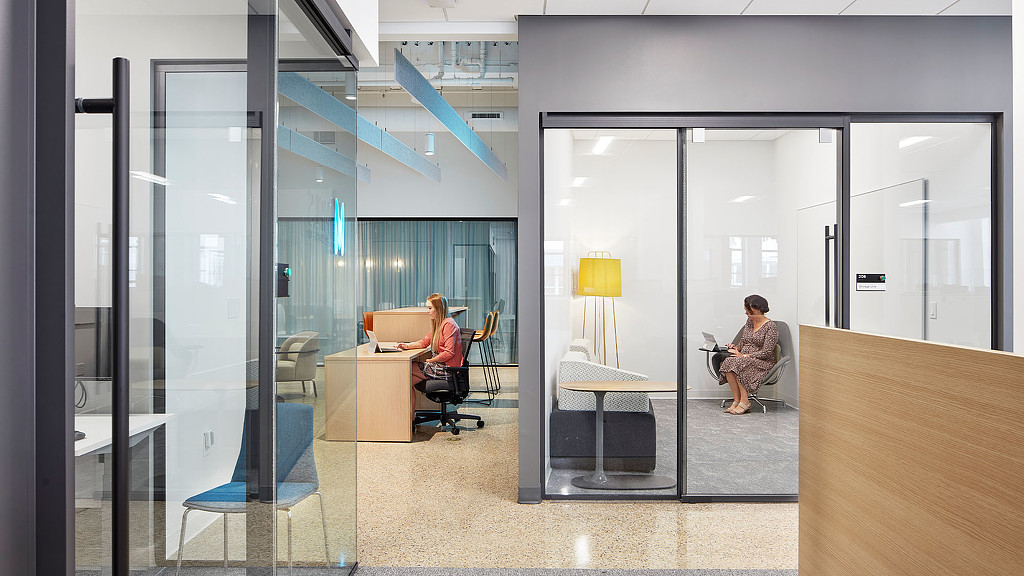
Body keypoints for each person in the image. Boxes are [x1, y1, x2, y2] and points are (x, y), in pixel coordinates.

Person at [718, 294, 779, 415]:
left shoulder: (771, 327)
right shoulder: (750, 322)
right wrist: (736, 347)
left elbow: (767, 352)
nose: (746, 313)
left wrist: (745, 356)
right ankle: (737, 400)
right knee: (729, 361)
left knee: (740, 363)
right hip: (744, 358)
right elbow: (744, 340)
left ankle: (745, 402)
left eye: (748, 310)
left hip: (763, 361)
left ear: (758, 309)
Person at [397, 293, 464, 386]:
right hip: (439, 364)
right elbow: (424, 342)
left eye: (430, 308)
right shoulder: (439, 324)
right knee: (406, 383)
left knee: (407, 367)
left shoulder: (449, 324)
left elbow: (449, 353)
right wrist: (407, 346)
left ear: (439, 309)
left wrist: (432, 360)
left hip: (447, 369)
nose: (427, 312)